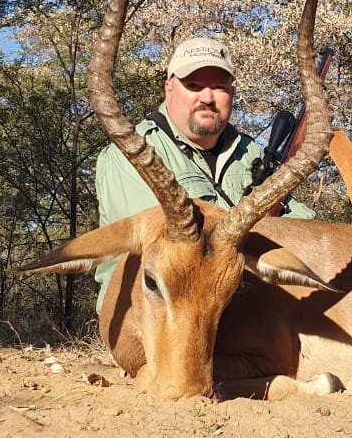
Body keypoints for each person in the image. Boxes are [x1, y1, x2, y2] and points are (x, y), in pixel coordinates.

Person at [93, 37, 315, 312]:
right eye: (194, 86)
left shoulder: (250, 153)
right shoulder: (131, 151)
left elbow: (305, 224)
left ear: (231, 94)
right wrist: (258, 232)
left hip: (232, 301)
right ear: (169, 89)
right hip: (153, 308)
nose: (207, 98)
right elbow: (166, 244)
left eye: (219, 87)